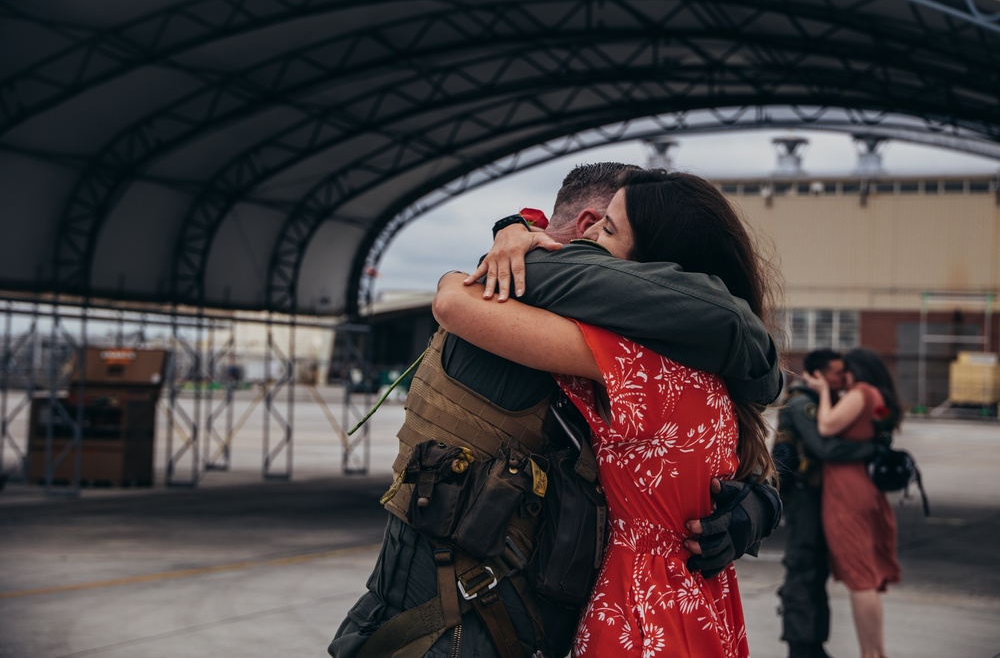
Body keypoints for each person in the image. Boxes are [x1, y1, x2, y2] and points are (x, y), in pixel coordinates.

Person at [329, 163, 783, 658]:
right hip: (448, 633)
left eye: (611, 229)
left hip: (560, 627)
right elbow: (456, 304)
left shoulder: (648, 357)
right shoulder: (538, 328)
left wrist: (758, 502)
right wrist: (489, 254)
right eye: (602, 226)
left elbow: (703, 455)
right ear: (587, 222)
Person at [773, 349, 879, 658]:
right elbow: (824, 448)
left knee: (815, 569)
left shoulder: (820, 401)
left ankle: (813, 641)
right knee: (803, 567)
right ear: (818, 374)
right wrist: (870, 448)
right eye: (836, 372)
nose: (842, 378)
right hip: (804, 498)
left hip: (816, 498)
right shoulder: (802, 402)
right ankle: (802, 645)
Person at [804, 348, 902, 658]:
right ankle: (877, 652)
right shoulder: (879, 398)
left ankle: (869, 655)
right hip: (866, 487)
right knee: (866, 576)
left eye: (844, 371)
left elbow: (826, 426)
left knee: (860, 578)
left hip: (847, 491)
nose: (841, 378)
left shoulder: (861, 392)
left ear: (855, 370)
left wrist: (821, 394)